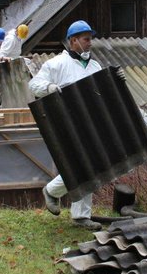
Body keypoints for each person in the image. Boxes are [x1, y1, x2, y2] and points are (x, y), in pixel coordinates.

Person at [28, 20, 103, 230]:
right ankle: (55, 193)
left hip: (90, 122)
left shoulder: (95, 66)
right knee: (82, 164)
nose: (90, 43)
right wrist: (50, 87)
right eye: (86, 39)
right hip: (67, 123)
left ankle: (74, 210)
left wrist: (117, 81)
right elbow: (34, 84)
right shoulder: (56, 64)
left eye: (90, 39)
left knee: (91, 166)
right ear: (73, 41)